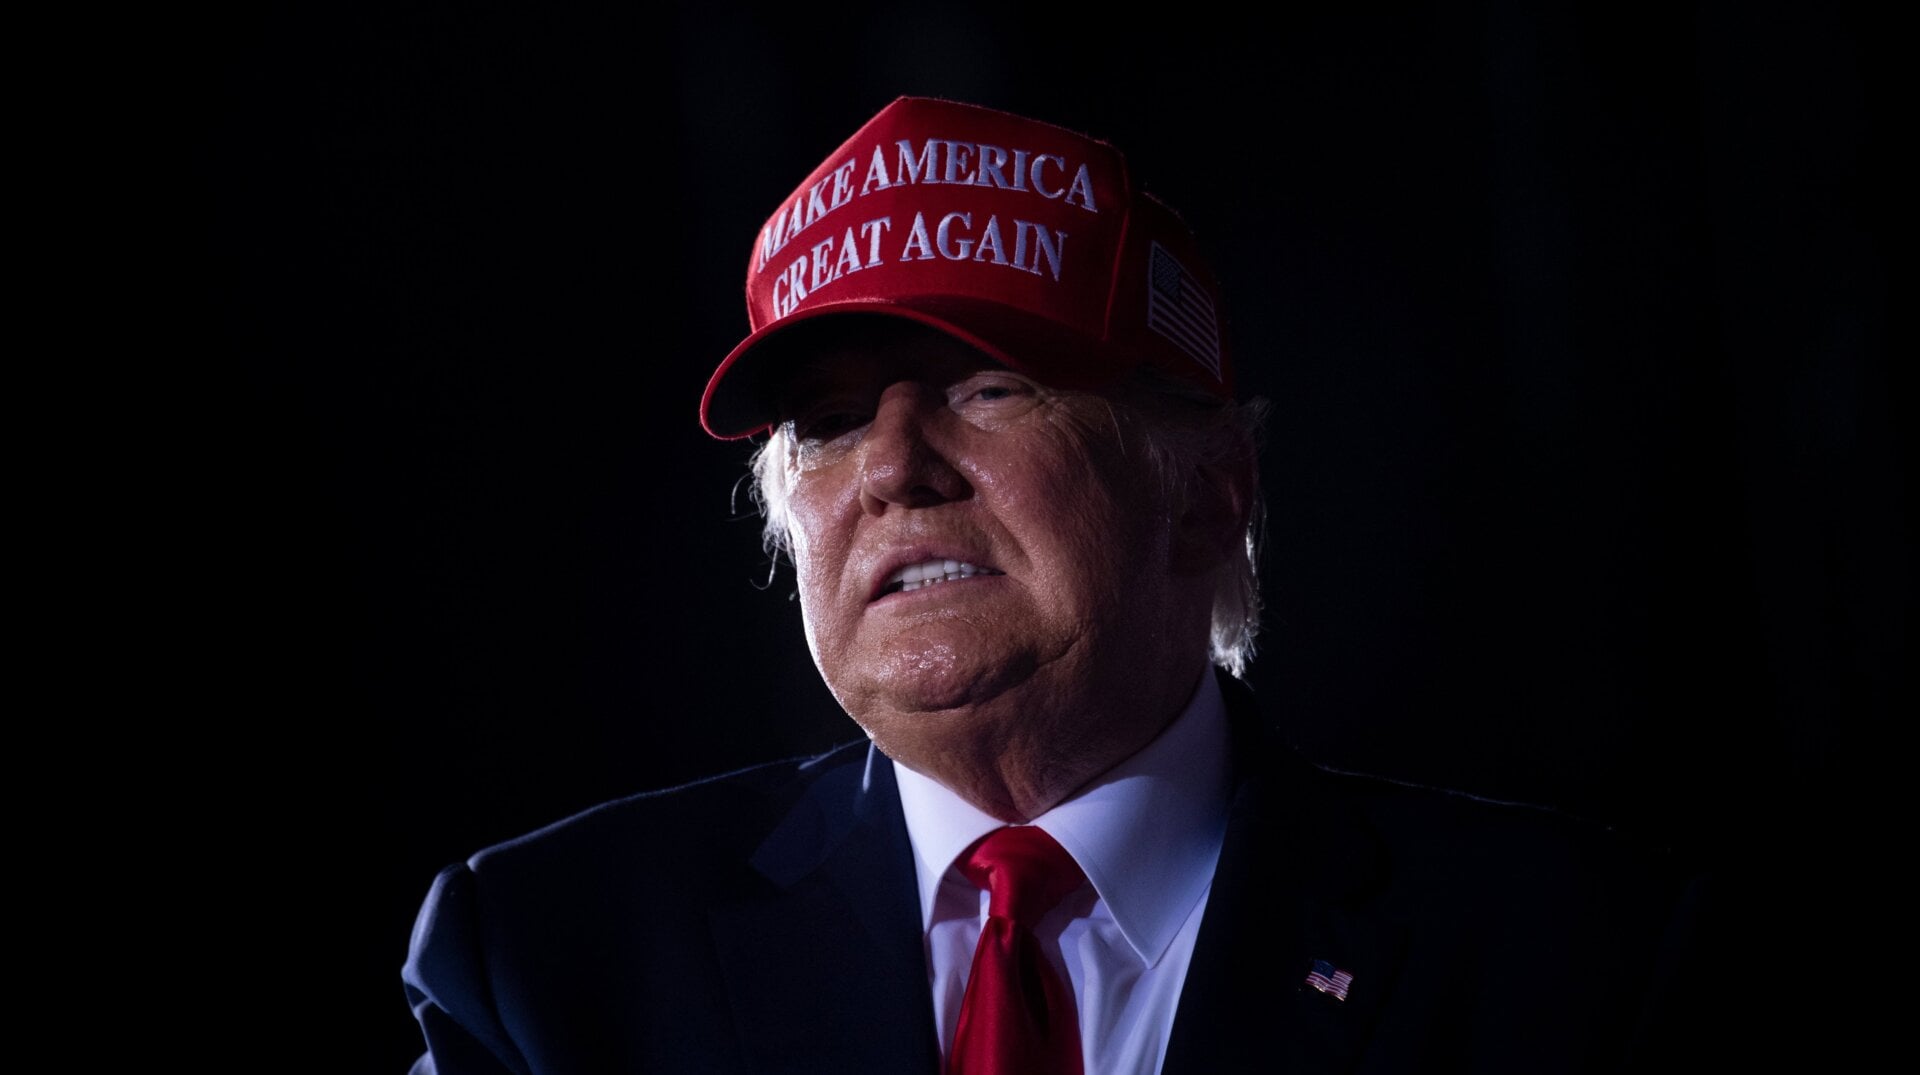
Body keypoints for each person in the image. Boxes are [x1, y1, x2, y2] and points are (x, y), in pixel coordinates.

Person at [401, 96, 1695, 1074]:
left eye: (989, 389)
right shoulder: (540, 967)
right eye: (831, 421)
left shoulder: (1584, 967)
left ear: (1211, 489)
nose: (897, 468)